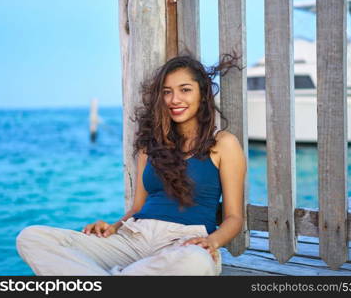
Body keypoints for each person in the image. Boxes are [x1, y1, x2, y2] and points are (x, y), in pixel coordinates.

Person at [16, 54, 247, 276]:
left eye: (185, 90)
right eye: (167, 92)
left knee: (196, 262)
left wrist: (211, 242)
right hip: (133, 238)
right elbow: (138, 207)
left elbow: (234, 217)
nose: (174, 100)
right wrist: (114, 227)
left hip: (182, 245)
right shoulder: (151, 145)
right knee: (32, 237)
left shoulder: (223, 144)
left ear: (203, 94)